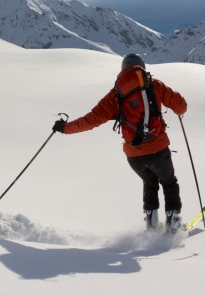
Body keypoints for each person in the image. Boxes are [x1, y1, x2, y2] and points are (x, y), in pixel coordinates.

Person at [51, 54, 188, 233]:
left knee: (150, 184)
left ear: (122, 70)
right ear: (142, 68)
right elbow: (181, 107)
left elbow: (90, 120)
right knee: (169, 183)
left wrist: (65, 128)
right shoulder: (154, 84)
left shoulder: (115, 94)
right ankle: (174, 226)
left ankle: (152, 227)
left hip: (134, 157)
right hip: (158, 150)